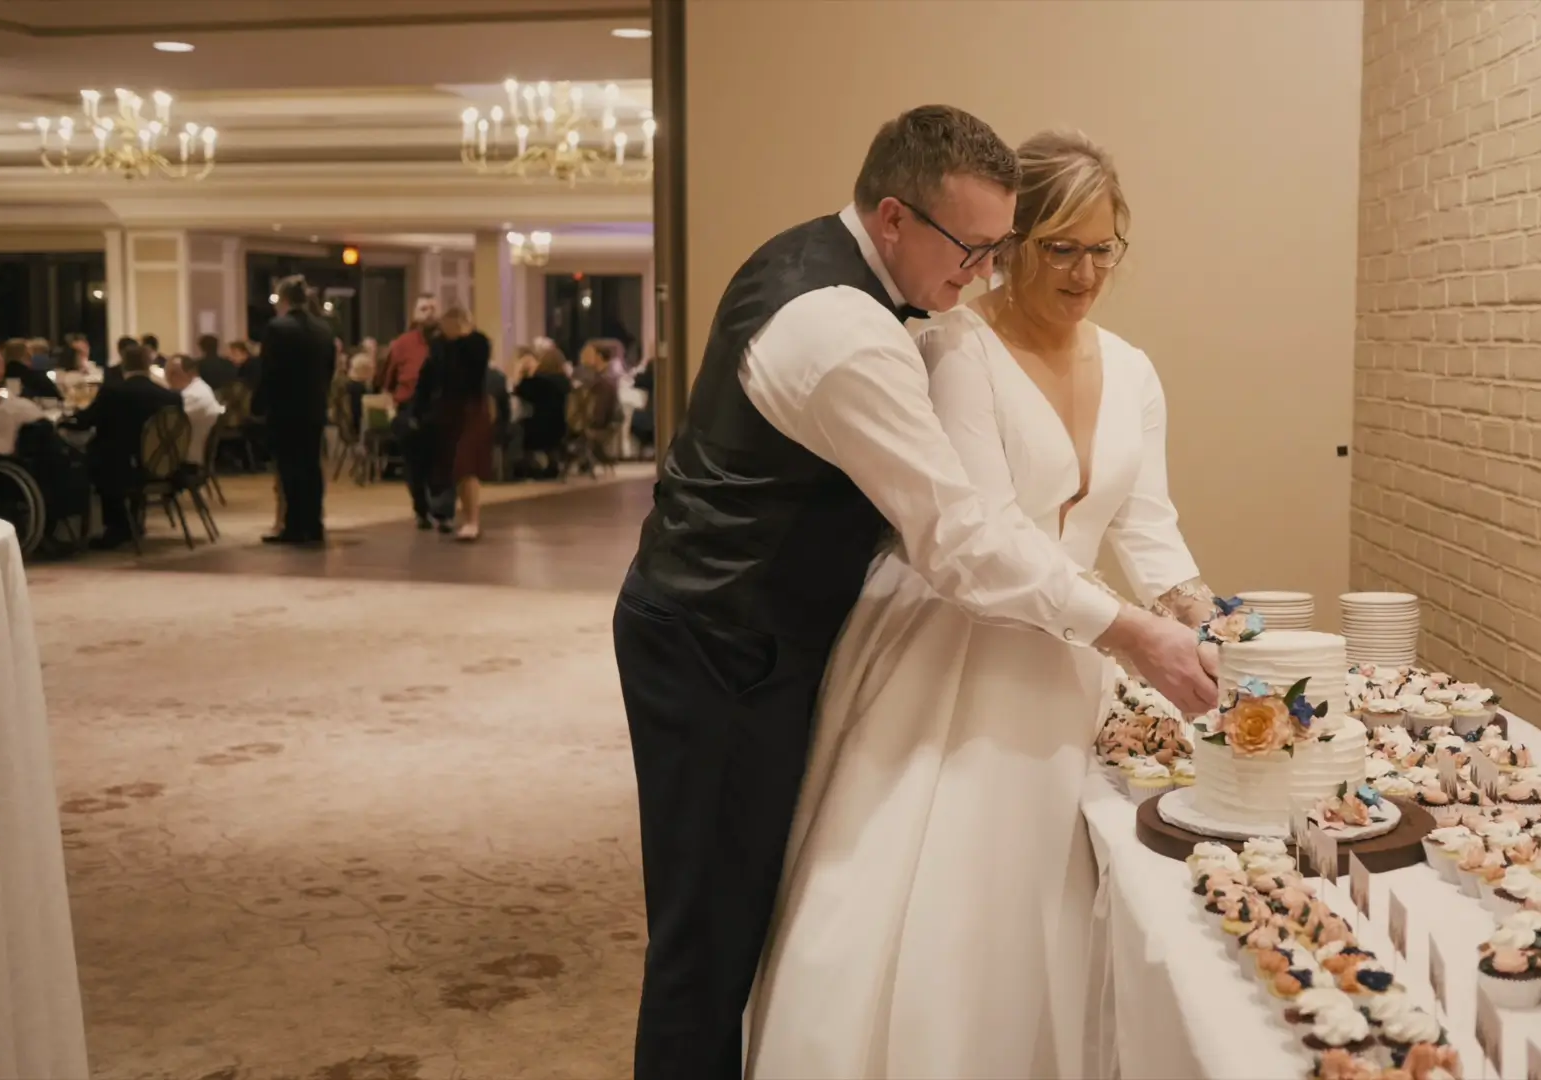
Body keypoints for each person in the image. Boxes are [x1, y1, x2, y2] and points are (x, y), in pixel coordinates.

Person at [611, 104, 1216, 1080]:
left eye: (1107, 251)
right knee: (722, 931)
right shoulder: (914, 343)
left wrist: (1192, 605)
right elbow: (966, 539)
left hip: (1048, 658)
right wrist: (1132, 632)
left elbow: (1143, 519)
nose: (1083, 274)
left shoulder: (1127, 369)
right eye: (1047, 249)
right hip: (771, 638)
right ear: (903, 222)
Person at [64, 343, 182, 549]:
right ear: (149, 364)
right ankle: (135, 522)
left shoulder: (113, 393)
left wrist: (65, 420)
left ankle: (116, 527)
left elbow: (86, 421)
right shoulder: (171, 397)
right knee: (117, 454)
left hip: (123, 468)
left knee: (96, 458)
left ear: (123, 365)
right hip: (164, 466)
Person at [254, 276, 336, 544]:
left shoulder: (278, 328)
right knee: (311, 468)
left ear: (284, 299)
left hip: (285, 410)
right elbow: (329, 370)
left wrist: (258, 406)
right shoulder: (324, 330)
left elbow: (269, 372)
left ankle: (293, 526)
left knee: (289, 470)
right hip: (314, 408)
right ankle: (314, 524)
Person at [425, 307, 493, 541]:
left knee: (467, 463)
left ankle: (472, 520)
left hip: (472, 408)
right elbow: (437, 374)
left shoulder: (477, 343)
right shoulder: (441, 347)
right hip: (449, 410)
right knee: (455, 466)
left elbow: (472, 373)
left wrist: (459, 338)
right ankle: (457, 515)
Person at [382, 295, 443, 527]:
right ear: (415, 314)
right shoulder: (402, 344)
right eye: (423, 308)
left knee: (441, 461)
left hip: (439, 408)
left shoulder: (447, 342)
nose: (428, 313)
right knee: (414, 464)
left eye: (432, 308)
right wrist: (393, 412)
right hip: (408, 408)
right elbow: (388, 382)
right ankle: (421, 510)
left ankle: (441, 509)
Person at [513, 344, 572, 478]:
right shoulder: (565, 382)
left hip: (540, 428)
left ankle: (521, 468)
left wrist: (523, 371)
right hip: (561, 427)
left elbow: (518, 390)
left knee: (516, 427)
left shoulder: (538, 381)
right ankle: (551, 465)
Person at [165, 355, 224, 467]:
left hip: (186, 458)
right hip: (189, 451)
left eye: (174, 373)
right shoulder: (200, 388)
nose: (168, 378)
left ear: (190, 373)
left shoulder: (193, 396)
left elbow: (170, 424)